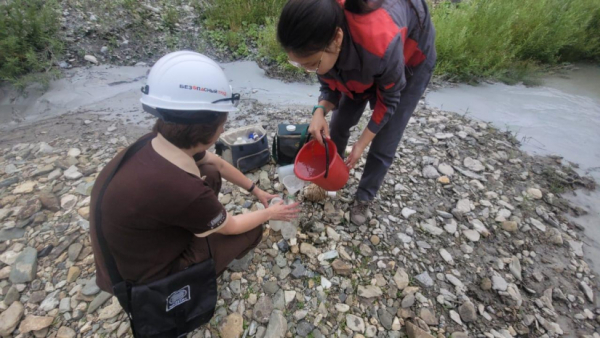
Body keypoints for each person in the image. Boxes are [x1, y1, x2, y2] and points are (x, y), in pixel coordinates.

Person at [89, 51, 300, 293]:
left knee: (209, 169)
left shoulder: (160, 141)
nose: (223, 129)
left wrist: (256, 190)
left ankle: (198, 228)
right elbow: (231, 226)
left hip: (122, 254)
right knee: (251, 229)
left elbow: (217, 164)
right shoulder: (186, 189)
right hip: (142, 279)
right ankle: (184, 286)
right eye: (222, 125)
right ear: (206, 132)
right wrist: (271, 212)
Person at [277, 0, 436, 225]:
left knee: (384, 140)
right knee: (339, 123)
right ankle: (328, 176)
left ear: (337, 38)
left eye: (311, 64)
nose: (308, 70)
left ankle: (364, 197)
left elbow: (389, 102)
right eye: (300, 65)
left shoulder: (380, 41)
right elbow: (328, 82)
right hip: (358, 51)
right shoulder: (319, 24)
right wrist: (320, 110)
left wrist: (361, 144)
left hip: (409, 56)